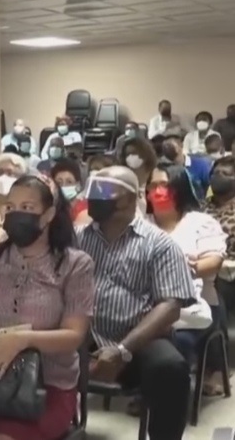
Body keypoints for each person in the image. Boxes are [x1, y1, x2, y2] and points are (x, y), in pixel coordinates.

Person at [0, 174, 94, 440]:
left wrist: (21, 340)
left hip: (44, 388)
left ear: (48, 215)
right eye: (10, 207)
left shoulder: (75, 265)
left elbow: (74, 336)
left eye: (27, 208)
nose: (16, 214)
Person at [76, 166, 196, 440]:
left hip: (138, 339)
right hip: (83, 334)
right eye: (93, 189)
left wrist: (122, 350)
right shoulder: (77, 238)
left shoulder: (159, 244)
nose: (94, 197)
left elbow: (170, 305)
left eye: (104, 191)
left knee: (171, 368)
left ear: (130, 198)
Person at [147, 163, 228, 396]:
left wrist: (177, 269)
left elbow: (212, 262)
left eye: (164, 185)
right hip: (146, 305)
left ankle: (167, 397)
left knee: (173, 340)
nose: (158, 191)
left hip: (195, 308)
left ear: (179, 188)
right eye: (153, 186)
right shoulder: (140, 223)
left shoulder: (200, 222)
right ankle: (146, 387)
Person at [202, 156, 235, 350]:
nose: (219, 177)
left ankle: (216, 363)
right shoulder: (203, 206)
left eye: (226, 174)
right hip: (207, 267)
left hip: (230, 271)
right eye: (216, 173)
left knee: (216, 287)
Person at [161, 129, 211, 199]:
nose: (167, 147)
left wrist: (207, 201)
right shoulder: (162, 168)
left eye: (170, 144)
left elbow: (209, 186)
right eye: (165, 145)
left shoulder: (200, 164)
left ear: (181, 145)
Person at [117, 136, 158, 214]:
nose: (131, 157)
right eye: (128, 154)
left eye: (134, 153)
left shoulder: (155, 176)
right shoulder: (123, 180)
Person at [51, 157, 90, 224]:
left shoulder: (84, 210)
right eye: (59, 183)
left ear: (78, 185)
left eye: (69, 182)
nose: (63, 186)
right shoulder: (51, 208)